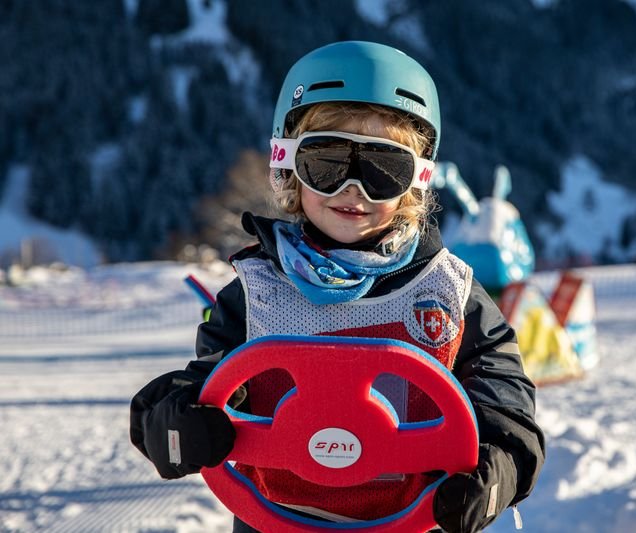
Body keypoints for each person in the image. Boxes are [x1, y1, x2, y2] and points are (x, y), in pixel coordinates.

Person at [130, 41, 545, 533]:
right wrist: (175, 421)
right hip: (276, 521)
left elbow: (505, 399)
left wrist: (500, 465)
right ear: (288, 165)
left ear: (416, 183)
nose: (353, 189)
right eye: (326, 164)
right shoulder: (260, 292)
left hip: (414, 520)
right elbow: (212, 382)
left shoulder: (449, 294)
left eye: (382, 170)